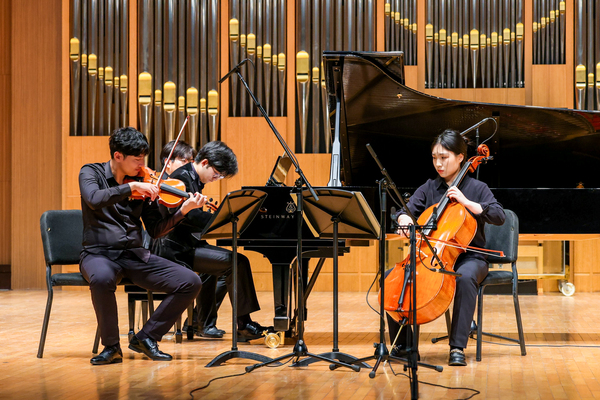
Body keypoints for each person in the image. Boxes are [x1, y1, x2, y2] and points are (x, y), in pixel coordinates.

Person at [79, 127, 206, 365]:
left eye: (143, 159)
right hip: (99, 254)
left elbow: (156, 230)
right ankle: (111, 347)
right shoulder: (91, 172)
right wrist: (131, 188)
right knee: (102, 278)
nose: (142, 165)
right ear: (118, 156)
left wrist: (182, 211)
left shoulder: (145, 182)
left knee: (191, 282)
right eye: (137, 160)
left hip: (134, 255)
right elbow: (94, 199)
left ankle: (146, 337)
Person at [388, 129, 505, 366]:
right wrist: (404, 219)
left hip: (470, 257)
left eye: (444, 157)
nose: (438, 164)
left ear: (461, 157)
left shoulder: (477, 188)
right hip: (431, 255)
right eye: (434, 158)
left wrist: (467, 202)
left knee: (465, 277)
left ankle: (457, 347)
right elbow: (404, 211)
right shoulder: (429, 187)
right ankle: (405, 346)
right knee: (393, 277)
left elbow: (499, 215)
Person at [152, 141, 270, 341]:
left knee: (222, 268)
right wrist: (222, 219)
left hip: (188, 244)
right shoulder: (181, 178)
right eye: (217, 174)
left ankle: (200, 323)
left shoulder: (193, 178)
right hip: (174, 249)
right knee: (237, 262)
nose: (217, 178)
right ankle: (244, 325)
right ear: (205, 162)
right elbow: (189, 216)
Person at [155, 140, 228, 338]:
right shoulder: (168, 186)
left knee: (215, 269)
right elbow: (176, 221)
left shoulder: (186, 183)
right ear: (167, 163)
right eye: (183, 160)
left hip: (186, 243)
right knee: (222, 266)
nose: (187, 164)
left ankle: (198, 322)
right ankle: (200, 322)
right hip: (170, 248)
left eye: (189, 160)